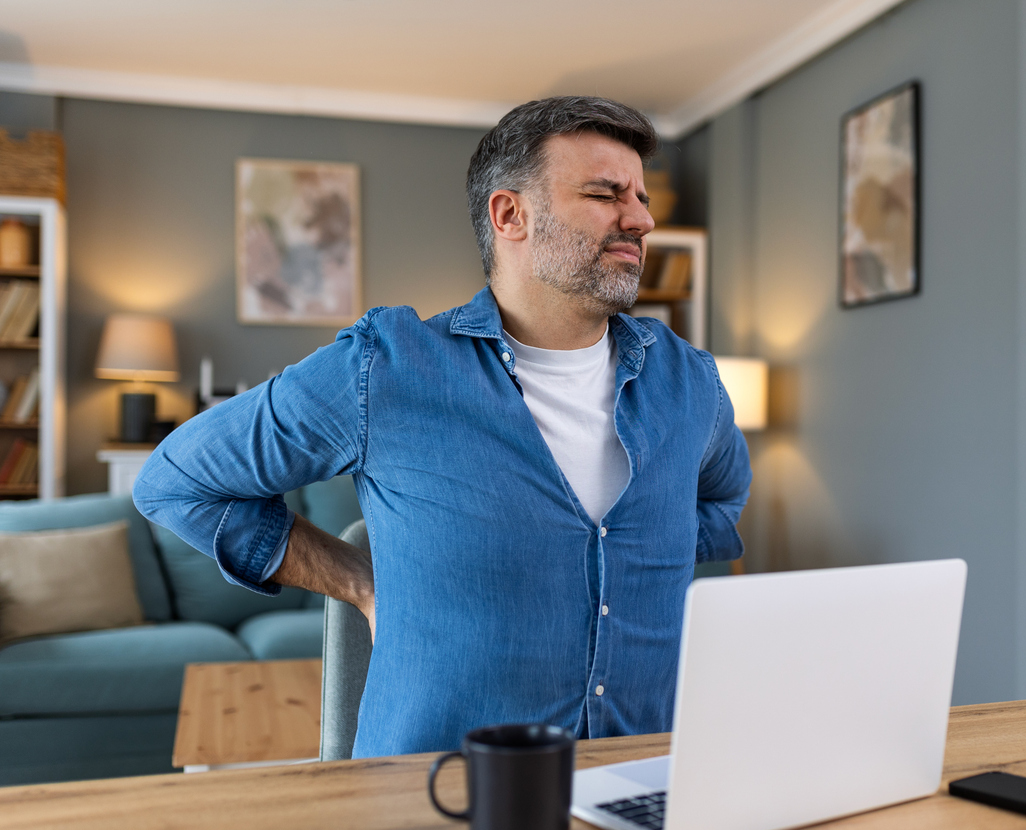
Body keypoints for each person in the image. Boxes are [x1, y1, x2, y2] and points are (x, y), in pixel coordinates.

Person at [133, 96, 752, 757]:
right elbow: (174, 482)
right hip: (436, 792)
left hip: (647, 781)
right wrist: (359, 581)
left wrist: (621, 561)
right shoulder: (388, 368)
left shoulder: (690, 382)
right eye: (605, 194)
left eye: (640, 197)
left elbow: (719, 501)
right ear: (509, 215)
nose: (642, 219)